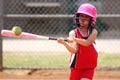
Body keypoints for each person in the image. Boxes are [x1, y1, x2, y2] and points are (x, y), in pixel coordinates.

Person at [57, 3, 98, 80]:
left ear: (91, 19)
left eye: (86, 17)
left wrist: (74, 39)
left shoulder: (93, 32)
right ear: (77, 17)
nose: (82, 19)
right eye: (81, 16)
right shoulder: (73, 33)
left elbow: (87, 42)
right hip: (76, 66)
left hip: (89, 66)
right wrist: (64, 43)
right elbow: (74, 50)